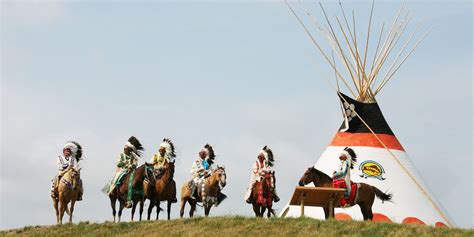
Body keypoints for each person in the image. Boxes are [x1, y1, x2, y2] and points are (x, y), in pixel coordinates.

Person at [108, 136, 144, 208]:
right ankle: (111, 190)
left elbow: (135, 163)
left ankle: (141, 195)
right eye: (124, 149)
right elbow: (118, 163)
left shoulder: (133, 157)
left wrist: (132, 166)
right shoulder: (121, 155)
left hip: (131, 171)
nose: (125, 150)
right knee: (117, 177)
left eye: (126, 149)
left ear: (129, 150)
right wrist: (125, 163)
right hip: (122, 170)